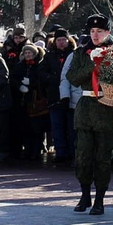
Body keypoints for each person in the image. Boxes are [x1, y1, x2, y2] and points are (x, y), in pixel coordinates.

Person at [66, 15, 113, 215]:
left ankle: (100, 198)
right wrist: (92, 62)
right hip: (86, 109)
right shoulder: (82, 52)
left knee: (102, 158)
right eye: (92, 31)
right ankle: (84, 195)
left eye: (100, 31)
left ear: (108, 33)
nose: (95, 35)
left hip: (106, 108)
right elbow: (72, 77)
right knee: (83, 156)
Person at [44, 28, 76, 165]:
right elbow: (41, 73)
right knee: (57, 126)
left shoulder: (74, 55)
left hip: (71, 97)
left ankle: (73, 152)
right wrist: (54, 79)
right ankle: (60, 152)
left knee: (72, 126)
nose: (62, 43)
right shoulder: (49, 56)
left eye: (64, 40)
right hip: (55, 97)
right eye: (59, 40)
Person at [11, 44, 48, 159]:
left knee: (36, 128)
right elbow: (12, 79)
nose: (28, 55)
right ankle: (26, 149)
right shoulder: (19, 66)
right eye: (26, 53)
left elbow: (41, 81)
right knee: (24, 126)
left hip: (34, 100)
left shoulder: (39, 66)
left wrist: (31, 83)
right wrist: (19, 86)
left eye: (30, 53)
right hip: (21, 101)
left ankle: (36, 150)